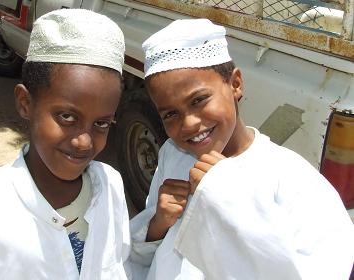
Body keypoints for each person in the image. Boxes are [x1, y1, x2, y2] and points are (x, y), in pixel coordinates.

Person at [129, 18, 354, 279]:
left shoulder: (292, 179)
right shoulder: (172, 153)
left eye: (199, 100)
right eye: (170, 114)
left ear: (235, 84)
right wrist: (158, 224)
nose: (189, 123)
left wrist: (226, 196)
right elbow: (149, 251)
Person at [0, 9, 131, 279]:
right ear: (25, 103)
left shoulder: (110, 185)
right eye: (67, 117)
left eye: (101, 123)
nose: (84, 141)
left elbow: (119, 264)